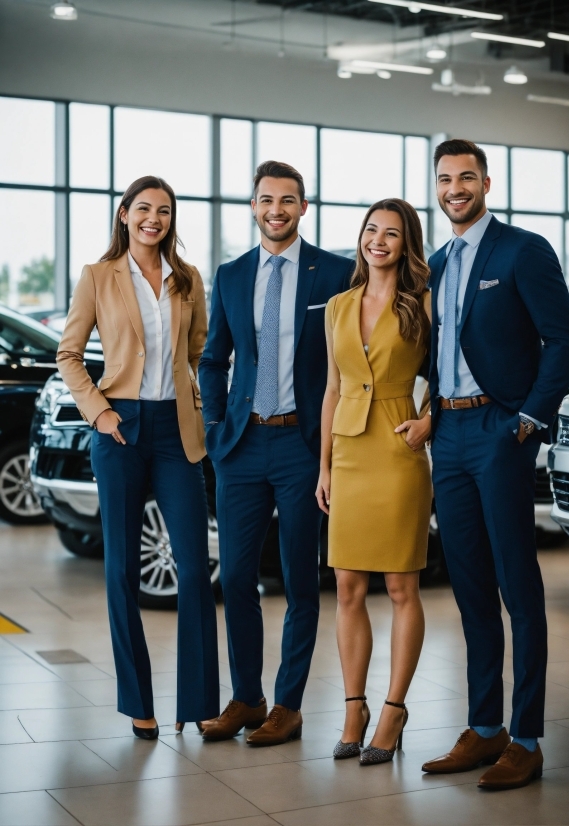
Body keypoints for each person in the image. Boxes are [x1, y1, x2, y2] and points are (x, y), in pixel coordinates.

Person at [421, 140, 569, 789]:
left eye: (466, 177)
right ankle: (484, 728)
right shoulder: (433, 264)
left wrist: (529, 419)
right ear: (436, 187)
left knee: (518, 585)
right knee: (468, 585)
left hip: (498, 429)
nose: (456, 188)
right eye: (445, 179)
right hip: (449, 432)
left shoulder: (523, 249)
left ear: (486, 181)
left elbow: (563, 337)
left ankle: (527, 736)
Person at [57, 175, 220, 739]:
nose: (155, 218)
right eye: (144, 209)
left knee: (196, 569)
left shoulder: (187, 280)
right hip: (120, 426)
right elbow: (69, 353)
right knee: (122, 569)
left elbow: (197, 351)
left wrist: (202, 405)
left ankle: (199, 701)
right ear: (124, 213)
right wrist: (100, 413)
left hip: (177, 429)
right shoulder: (98, 277)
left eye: (165, 211)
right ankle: (138, 702)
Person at [198, 160, 354, 746]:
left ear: (303, 207)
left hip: (301, 444)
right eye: (267, 200)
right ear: (254, 205)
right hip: (241, 444)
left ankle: (287, 703)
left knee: (299, 578)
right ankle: (246, 696)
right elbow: (213, 359)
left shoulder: (335, 272)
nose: (277, 210)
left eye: (288, 200)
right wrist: (217, 426)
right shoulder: (233, 275)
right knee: (235, 575)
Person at [316, 199, 432, 766]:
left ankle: (393, 710)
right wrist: (324, 466)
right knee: (346, 587)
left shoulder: (423, 303)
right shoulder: (337, 305)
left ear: (406, 242)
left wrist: (430, 419)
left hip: (398, 447)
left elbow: (457, 368)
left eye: (390, 233)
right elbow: (332, 389)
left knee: (401, 588)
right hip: (349, 450)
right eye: (370, 230)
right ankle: (353, 708)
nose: (377, 241)